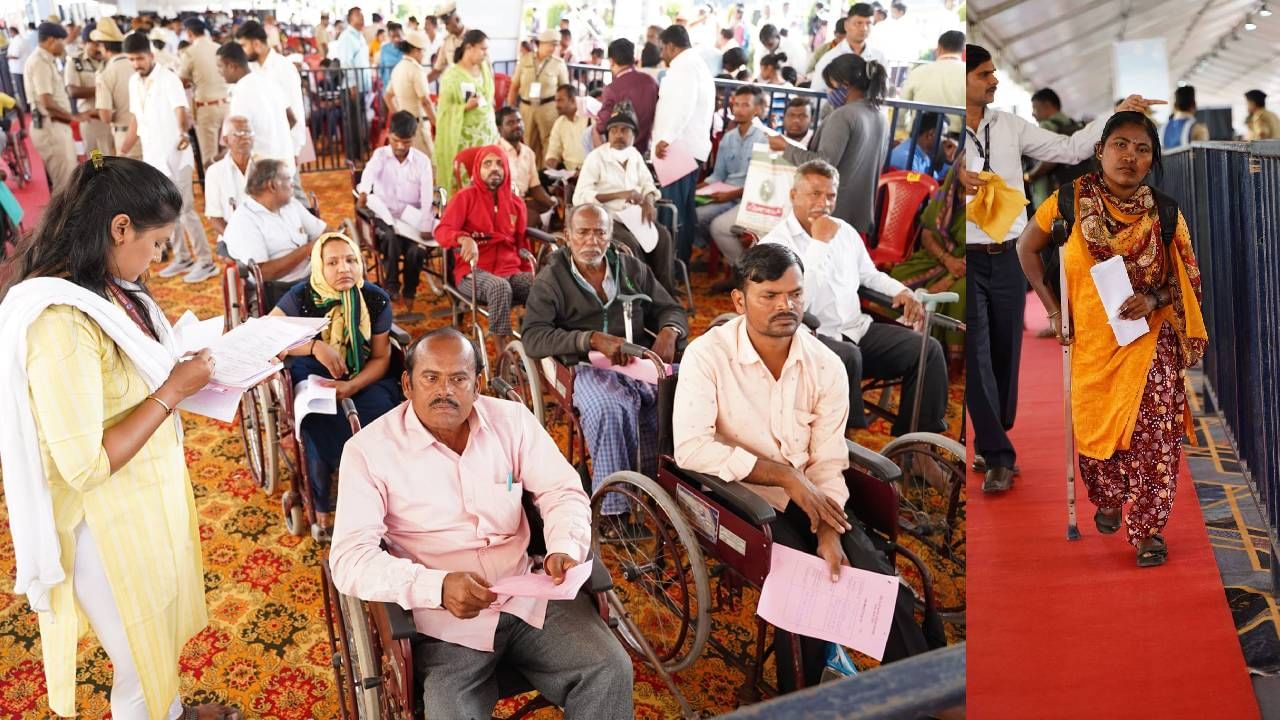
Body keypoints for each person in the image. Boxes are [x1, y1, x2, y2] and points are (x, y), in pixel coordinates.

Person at [0, 155, 240, 720]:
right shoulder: (60, 323)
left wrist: (177, 372)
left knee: (155, 633)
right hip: (101, 525)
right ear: (120, 228)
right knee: (136, 658)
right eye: (156, 243)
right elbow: (84, 465)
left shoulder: (107, 282)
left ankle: (173, 709)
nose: (159, 257)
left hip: (140, 495)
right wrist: (173, 391)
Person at [328, 326, 633, 719]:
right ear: (407, 384)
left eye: (458, 378)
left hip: (530, 595)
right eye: (430, 378)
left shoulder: (512, 421)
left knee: (609, 669)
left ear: (477, 383)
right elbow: (350, 559)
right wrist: (436, 587)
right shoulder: (368, 452)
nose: (445, 391)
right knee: (449, 712)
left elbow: (561, 490)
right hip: (444, 622)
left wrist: (563, 547)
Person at [671, 241, 931, 692]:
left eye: (794, 294)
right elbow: (692, 449)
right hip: (737, 496)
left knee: (877, 583)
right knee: (805, 593)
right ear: (739, 301)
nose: (785, 306)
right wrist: (786, 476)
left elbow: (829, 460)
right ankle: (807, 700)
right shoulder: (706, 355)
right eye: (769, 296)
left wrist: (828, 529)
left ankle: (932, 693)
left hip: (812, 494)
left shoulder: (826, 364)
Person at [961, 43, 1162, 491]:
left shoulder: (1009, 125)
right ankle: (997, 453)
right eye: (984, 74)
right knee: (976, 357)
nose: (994, 80)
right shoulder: (944, 130)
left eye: (995, 72)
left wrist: (1117, 114)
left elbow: (1072, 149)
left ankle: (996, 429)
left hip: (1009, 255)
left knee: (1003, 357)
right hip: (965, 258)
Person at [1016, 111, 1207, 567]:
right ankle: (1108, 496)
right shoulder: (1068, 201)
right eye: (1121, 145)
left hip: (1149, 339)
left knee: (1156, 437)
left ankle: (1148, 531)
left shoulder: (1164, 213)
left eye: (1143, 149)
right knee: (1099, 435)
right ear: (1100, 151)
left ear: (1152, 160)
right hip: (1093, 345)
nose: (1131, 156)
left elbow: (1188, 279)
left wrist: (1154, 296)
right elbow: (1027, 248)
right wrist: (1054, 308)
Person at [521, 203, 688, 519]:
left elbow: (672, 308)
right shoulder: (552, 279)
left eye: (599, 232)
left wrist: (669, 331)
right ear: (568, 236)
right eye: (582, 232)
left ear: (610, 236)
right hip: (585, 367)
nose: (591, 241)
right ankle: (614, 512)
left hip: (638, 361)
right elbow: (534, 337)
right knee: (609, 409)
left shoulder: (631, 268)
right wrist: (589, 339)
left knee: (688, 390)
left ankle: (668, 485)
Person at [760, 159, 946, 435]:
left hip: (856, 330)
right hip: (808, 337)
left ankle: (916, 446)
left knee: (928, 349)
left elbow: (869, 275)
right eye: (815, 194)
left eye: (830, 195)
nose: (823, 203)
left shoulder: (844, 231)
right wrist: (819, 244)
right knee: (848, 357)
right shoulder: (776, 244)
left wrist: (901, 291)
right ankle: (846, 448)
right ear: (793, 195)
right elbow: (794, 302)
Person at [270, 232, 401, 540]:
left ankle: (386, 499)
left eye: (351, 260)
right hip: (315, 375)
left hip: (364, 373)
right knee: (319, 426)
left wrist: (353, 386)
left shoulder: (374, 298)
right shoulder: (301, 297)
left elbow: (381, 357)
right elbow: (267, 334)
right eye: (333, 262)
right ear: (319, 267)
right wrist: (315, 347)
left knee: (385, 419)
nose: (344, 268)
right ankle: (325, 506)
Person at [119, 31, 217, 283]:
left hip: (175, 154)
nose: (136, 64)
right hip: (153, 158)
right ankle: (182, 257)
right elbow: (136, 120)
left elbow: (180, 110)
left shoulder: (168, 78)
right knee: (164, 212)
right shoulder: (133, 82)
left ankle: (206, 261)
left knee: (185, 210)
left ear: (151, 55)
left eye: (139, 58)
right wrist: (122, 150)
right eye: (131, 59)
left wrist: (183, 132)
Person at [771, 54, 889, 235]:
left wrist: (785, 148)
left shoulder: (843, 116)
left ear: (845, 84)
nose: (828, 91)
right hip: (860, 213)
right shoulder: (879, 115)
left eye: (831, 85)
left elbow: (823, 164)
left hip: (833, 211)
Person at [433, 145, 533, 349]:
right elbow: (442, 231)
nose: (494, 168)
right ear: (478, 169)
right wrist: (463, 239)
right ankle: (502, 350)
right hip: (472, 272)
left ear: (506, 168)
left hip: (509, 270)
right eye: (487, 164)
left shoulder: (516, 204)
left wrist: (527, 272)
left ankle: (534, 338)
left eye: (499, 163)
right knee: (499, 287)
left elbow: (521, 243)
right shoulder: (465, 197)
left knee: (542, 285)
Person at [574, 102, 676, 294]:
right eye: (614, 131)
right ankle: (639, 292)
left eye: (624, 131)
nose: (619, 135)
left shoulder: (635, 155)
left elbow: (648, 184)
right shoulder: (596, 157)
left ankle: (664, 293)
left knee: (664, 237)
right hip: (607, 217)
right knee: (628, 243)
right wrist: (621, 194)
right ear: (608, 134)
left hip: (634, 215)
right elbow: (580, 196)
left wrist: (649, 201)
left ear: (634, 136)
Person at [890, 163, 966, 368]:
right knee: (897, 277)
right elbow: (926, 234)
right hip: (939, 257)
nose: (973, 174)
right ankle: (901, 343)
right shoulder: (945, 195)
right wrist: (947, 260)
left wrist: (950, 277)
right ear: (957, 170)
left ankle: (947, 361)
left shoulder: (990, 202)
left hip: (970, 266)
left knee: (960, 294)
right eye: (967, 168)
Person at [653, 24, 716, 267]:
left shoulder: (685, 66)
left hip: (677, 148)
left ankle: (672, 267)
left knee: (673, 211)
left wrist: (666, 138)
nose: (662, 55)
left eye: (663, 49)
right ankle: (680, 265)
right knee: (683, 210)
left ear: (670, 46)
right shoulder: (695, 64)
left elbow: (682, 106)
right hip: (686, 147)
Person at [356, 111, 435, 304]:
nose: (400, 146)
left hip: (411, 220)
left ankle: (410, 290)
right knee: (391, 239)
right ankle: (391, 286)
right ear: (389, 135)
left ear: (414, 138)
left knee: (416, 251)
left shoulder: (422, 162)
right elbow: (369, 173)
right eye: (396, 140)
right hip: (386, 217)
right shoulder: (380, 155)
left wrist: (425, 226)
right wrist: (364, 192)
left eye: (406, 142)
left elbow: (426, 198)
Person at [695, 85, 769, 287]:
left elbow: (763, 184)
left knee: (717, 225)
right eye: (735, 104)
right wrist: (700, 188)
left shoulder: (765, 138)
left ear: (757, 109)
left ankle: (743, 272)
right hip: (726, 193)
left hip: (751, 197)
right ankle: (709, 254)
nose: (738, 109)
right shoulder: (729, 138)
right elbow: (718, 175)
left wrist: (731, 194)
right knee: (691, 212)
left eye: (745, 105)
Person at [222, 159, 327, 298]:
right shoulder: (245, 220)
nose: (293, 184)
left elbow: (323, 231)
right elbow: (264, 273)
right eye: (288, 179)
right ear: (272, 185)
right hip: (283, 289)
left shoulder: (291, 204)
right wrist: (309, 249)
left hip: (317, 274)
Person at [216, 42, 295, 181]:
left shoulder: (240, 92)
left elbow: (239, 137)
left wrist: (216, 159)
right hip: (286, 163)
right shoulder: (269, 81)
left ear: (232, 66)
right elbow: (292, 119)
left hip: (264, 171)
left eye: (220, 66)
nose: (219, 72)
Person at [435, 29, 498, 195]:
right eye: (483, 49)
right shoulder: (452, 76)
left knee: (488, 181)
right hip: (465, 139)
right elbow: (444, 109)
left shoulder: (484, 68)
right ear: (469, 48)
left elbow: (489, 97)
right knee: (466, 184)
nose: (486, 53)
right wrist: (464, 108)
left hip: (487, 136)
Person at [236, 20, 307, 168]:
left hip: (285, 146)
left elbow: (294, 111)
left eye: (243, 45)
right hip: (261, 148)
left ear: (256, 44)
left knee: (290, 188)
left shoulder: (283, 68)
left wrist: (294, 148)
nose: (241, 51)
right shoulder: (251, 69)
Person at [24, 22, 79, 191]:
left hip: (56, 126)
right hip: (51, 128)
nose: (64, 44)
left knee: (68, 180)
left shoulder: (47, 60)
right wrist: (72, 117)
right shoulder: (40, 62)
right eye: (61, 41)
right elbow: (46, 101)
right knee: (64, 186)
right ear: (50, 40)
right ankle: (64, 218)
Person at [508, 29, 570, 166]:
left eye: (556, 45)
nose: (554, 48)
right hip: (526, 108)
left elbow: (565, 90)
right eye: (551, 44)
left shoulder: (558, 64)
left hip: (548, 108)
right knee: (529, 142)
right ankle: (531, 175)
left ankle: (546, 177)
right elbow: (514, 86)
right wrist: (510, 109)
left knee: (549, 143)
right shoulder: (525, 60)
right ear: (541, 44)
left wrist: (564, 113)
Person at [177, 18, 228, 170]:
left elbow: (182, 80)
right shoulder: (219, 47)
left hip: (206, 108)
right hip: (226, 105)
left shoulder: (190, 52)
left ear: (190, 33)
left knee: (209, 158)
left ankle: (214, 193)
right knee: (226, 154)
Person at [496, 107, 559, 228]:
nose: (517, 125)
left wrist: (553, 203)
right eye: (510, 123)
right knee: (533, 218)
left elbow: (535, 186)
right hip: (501, 204)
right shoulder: (495, 152)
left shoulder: (528, 152)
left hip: (521, 200)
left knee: (554, 211)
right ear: (499, 129)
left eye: (519, 121)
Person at [594, 39, 659, 154]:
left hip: (620, 149)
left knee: (592, 131)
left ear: (612, 61)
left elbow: (601, 126)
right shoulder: (651, 82)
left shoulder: (612, 89)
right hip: (645, 148)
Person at [93, 18, 141, 161]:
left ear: (103, 46)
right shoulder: (137, 64)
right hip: (149, 134)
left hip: (125, 137)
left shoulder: (105, 74)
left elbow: (105, 116)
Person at [810, 3, 886, 94]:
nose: (864, 28)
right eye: (859, 23)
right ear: (846, 25)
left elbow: (883, 92)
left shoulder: (878, 57)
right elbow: (816, 97)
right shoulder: (830, 58)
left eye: (868, 23)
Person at [385, 29, 438, 157]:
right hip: (418, 125)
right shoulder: (416, 70)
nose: (423, 55)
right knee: (428, 164)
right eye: (422, 51)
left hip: (405, 127)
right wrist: (437, 123)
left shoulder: (398, 68)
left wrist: (399, 117)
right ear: (416, 51)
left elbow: (387, 96)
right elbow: (425, 101)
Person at [900, 30, 965, 130]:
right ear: (962, 50)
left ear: (939, 48)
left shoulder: (918, 71)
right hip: (956, 140)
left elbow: (901, 107)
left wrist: (900, 129)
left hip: (918, 137)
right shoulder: (969, 74)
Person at [64, 27, 113, 156]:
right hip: (91, 121)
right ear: (84, 43)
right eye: (95, 44)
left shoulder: (110, 60)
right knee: (96, 162)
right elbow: (72, 91)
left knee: (115, 160)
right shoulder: (75, 62)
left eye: (101, 44)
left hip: (112, 119)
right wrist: (103, 89)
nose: (99, 48)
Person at [203, 117, 254, 236]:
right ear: (226, 140)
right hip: (232, 238)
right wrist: (235, 241)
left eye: (249, 132)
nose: (246, 137)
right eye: (239, 133)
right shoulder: (214, 172)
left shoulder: (265, 166)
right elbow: (214, 218)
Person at [889, 111, 951, 179]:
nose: (945, 140)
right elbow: (917, 187)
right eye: (943, 135)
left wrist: (952, 160)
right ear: (930, 135)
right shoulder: (907, 159)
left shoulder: (921, 155)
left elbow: (935, 178)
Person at [329, 7, 369, 78]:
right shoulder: (346, 37)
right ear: (350, 19)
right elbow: (346, 64)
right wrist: (352, 85)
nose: (361, 17)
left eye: (362, 14)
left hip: (363, 82)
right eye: (357, 15)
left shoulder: (360, 36)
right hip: (355, 85)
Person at [429, 4, 465, 83]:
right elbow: (437, 69)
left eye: (447, 23)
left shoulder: (473, 37)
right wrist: (422, 83)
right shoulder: (447, 41)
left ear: (457, 19)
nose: (445, 27)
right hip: (454, 86)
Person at [1163, 85, 1207, 150]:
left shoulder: (1162, 129)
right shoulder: (1199, 129)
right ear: (1194, 104)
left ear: (1175, 106)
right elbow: (1203, 156)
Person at [377, 21, 404, 87]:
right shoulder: (384, 49)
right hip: (388, 83)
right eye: (393, 36)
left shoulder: (407, 48)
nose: (396, 39)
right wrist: (381, 80)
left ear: (402, 34)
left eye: (398, 36)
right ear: (389, 36)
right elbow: (382, 68)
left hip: (403, 84)